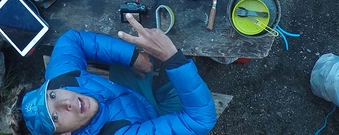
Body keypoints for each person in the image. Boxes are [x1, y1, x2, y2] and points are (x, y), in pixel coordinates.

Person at [21, 13, 217, 135]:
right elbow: (201, 120)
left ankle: (154, 71)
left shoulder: (62, 81)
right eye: (55, 117)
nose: (67, 103)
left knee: (132, 49)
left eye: (52, 96)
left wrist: (132, 58)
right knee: (191, 92)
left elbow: (72, 40)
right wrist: (171, 58)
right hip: (148, 123)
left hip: (127, 94)